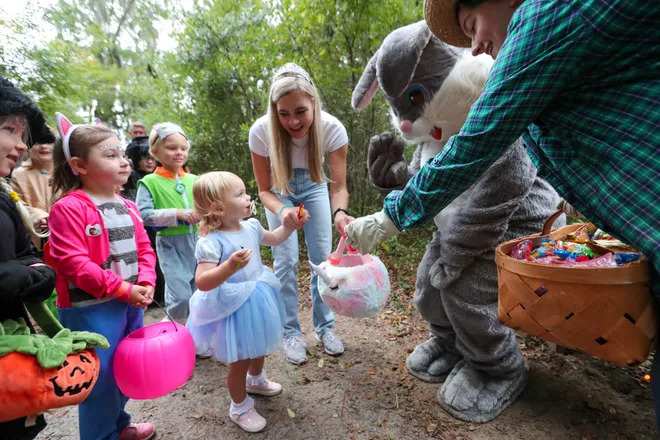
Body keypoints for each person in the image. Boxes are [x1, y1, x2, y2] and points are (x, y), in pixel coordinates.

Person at [345, 0, 660, 427]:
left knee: (467, 294)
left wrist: (392, 219)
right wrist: (396, 178)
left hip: (507, 230)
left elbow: (485, 164)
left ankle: (496, 368)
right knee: (429, 287)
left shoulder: (545, 18)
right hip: (464, 230)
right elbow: (434, 172)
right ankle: (451, 344)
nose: (475, 47)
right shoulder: (539, 62)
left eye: (473, 25)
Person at [48, 112, 157, 440]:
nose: (124, 162)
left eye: (122, 154)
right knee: (100, 378)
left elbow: (144, 250)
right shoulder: (68, 208)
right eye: (110, 156)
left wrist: (146, 282)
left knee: (124, 369)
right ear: (80, 166)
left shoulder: (129, 206)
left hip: (129, 302)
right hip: (89, 310)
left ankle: (119, 425)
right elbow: (73, 263)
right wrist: (123, 288)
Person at [186, 171, 308, 432]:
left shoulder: (251, 226)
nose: (248, 197)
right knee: (240, 359)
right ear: (218, 208)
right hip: (233, 305)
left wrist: (290, 225)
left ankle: (256, 380)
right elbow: (203, 281)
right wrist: (230, 266)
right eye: (239, 194)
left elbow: (274, 238)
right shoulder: (210, 242)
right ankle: (239, 407)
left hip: (256, 296)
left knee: (259, 345)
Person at [249, 62, 353, 365]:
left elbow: (338, 186)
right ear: (274, 110)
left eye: (300, 111)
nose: (293, 121)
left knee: (323, 259)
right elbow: (264, 190)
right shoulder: (261, 132)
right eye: (283, 113)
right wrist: (283, 211)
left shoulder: (332, 128)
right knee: (285, 260)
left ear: (313, 103)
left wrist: (340, 213)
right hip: (279, 192)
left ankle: (325, 328)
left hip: (315, 186)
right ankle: (290, 333)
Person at [0, 77, 57, 440]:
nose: (21, 144)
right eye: (10, 129)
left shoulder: (3, 196)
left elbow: (25, 254)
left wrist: (34, 273)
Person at [136, 123, 198, 319]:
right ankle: (173, 331)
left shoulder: (195, 180)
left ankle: (197, 337)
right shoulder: (149, 182)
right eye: (171, 148)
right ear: (155, 152)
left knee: (199, 295)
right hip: (170, 244)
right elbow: (142, 215)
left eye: (183, 148)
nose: (179, 152)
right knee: (181, 297)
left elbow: (209, 207)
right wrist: (176, 213)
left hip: (199, 243)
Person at [11, 140, 57, 249]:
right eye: (37, 143)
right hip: (32, 238)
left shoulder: (67, 173)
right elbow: (15, 203)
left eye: (49, 142)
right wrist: (35, 215)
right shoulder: (19, 174)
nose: (43, 146)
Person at [122, 136, 157, 202]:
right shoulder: (129, 176)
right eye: (145, 157)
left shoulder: (159, 175)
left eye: (153, 158)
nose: (150, 161)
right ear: (137, 159)